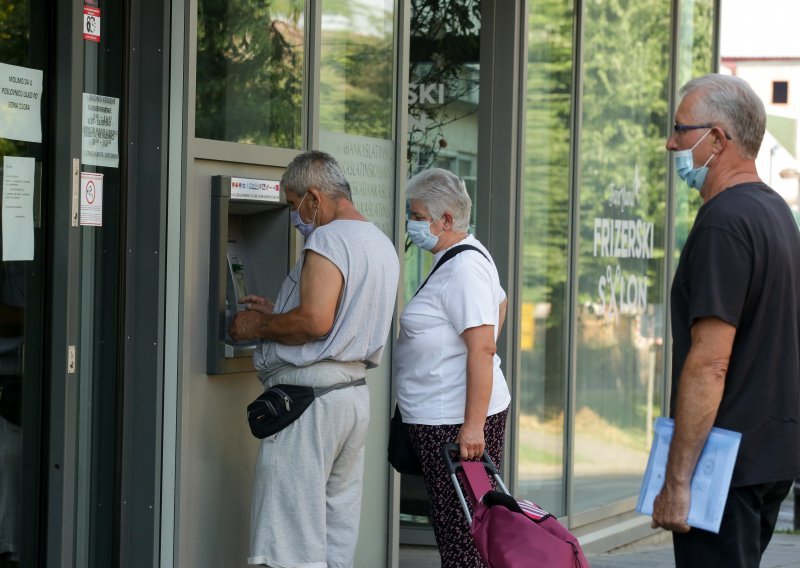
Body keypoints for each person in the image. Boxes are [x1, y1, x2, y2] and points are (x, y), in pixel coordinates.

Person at [652, 74, 800, 567]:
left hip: (723, 469)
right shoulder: (775, 213)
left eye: (680, 129)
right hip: (767, 456)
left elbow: (711, 362)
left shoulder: (724, 222)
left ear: (717, 139)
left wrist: (677, 480)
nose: (670, 142)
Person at [229, 150, 399, 568]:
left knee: (288, 539)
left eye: (292, 204)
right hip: (352, 397)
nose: (295, 215)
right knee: (333, 531)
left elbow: (316, 321)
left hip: (309, 402)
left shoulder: (327, 239)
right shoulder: (380, 243)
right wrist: (279, 311)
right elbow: (339, 316)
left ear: (315, 198)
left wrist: (256, 326)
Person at [393, 168, 510, 567]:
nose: (411, 223)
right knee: (460, 527)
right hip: (443, 419)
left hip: (454, 424)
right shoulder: (460, 257)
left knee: (463, 533)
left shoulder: (463, 267)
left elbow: (482, 347)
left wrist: (473, 425)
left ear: (445, 220)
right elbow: (501, 303)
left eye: (417, 214)